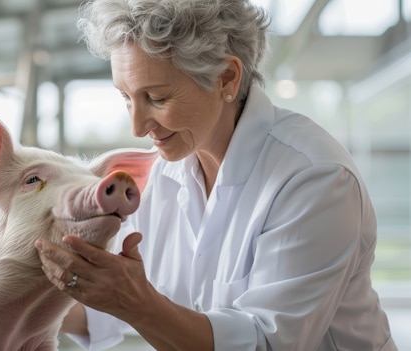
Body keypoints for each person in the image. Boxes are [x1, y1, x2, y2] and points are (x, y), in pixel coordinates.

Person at [33, 0, 398, 350]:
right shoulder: (162, 174)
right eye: (126, 97)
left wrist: (135, 301)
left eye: (157, 99)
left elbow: (266, 344)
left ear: (227, 78)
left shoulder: (314, 179)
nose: (137, 126)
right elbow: (104, 310)